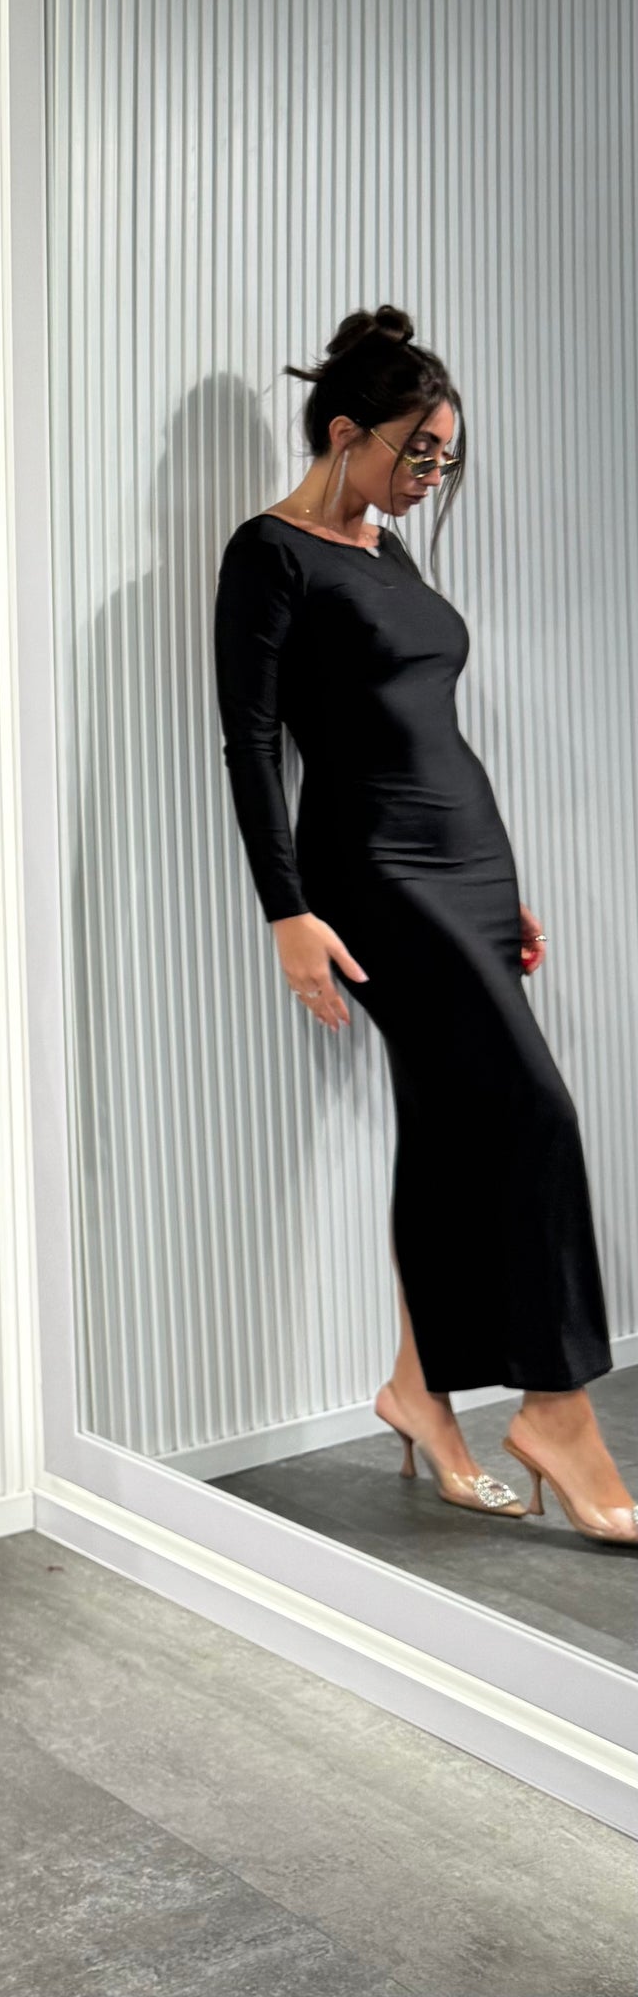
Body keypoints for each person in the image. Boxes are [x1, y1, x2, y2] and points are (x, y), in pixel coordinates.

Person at [214, 305, 635, 1546]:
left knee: (453, 1130)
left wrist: (507, 891)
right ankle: (557, 1406)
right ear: (346, 432)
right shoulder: (269, 552)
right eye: (418, 451)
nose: (430, 475)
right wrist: (287, 910)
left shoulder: (389, 553)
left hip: (470, 863)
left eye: (445, 456)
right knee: (537, 1112)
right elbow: (249, 745)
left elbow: (431, 721)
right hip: (377, 868)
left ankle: (416, 1390)